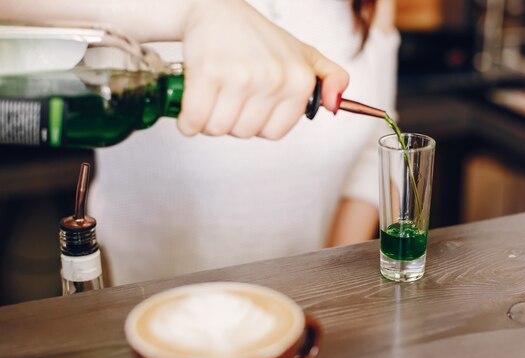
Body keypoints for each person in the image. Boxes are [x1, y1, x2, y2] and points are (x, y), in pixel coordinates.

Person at [3, 0, 399, 284]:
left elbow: (377, 139)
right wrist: (195, 10)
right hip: (144, 320)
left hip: (298, 324)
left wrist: (328, 285)